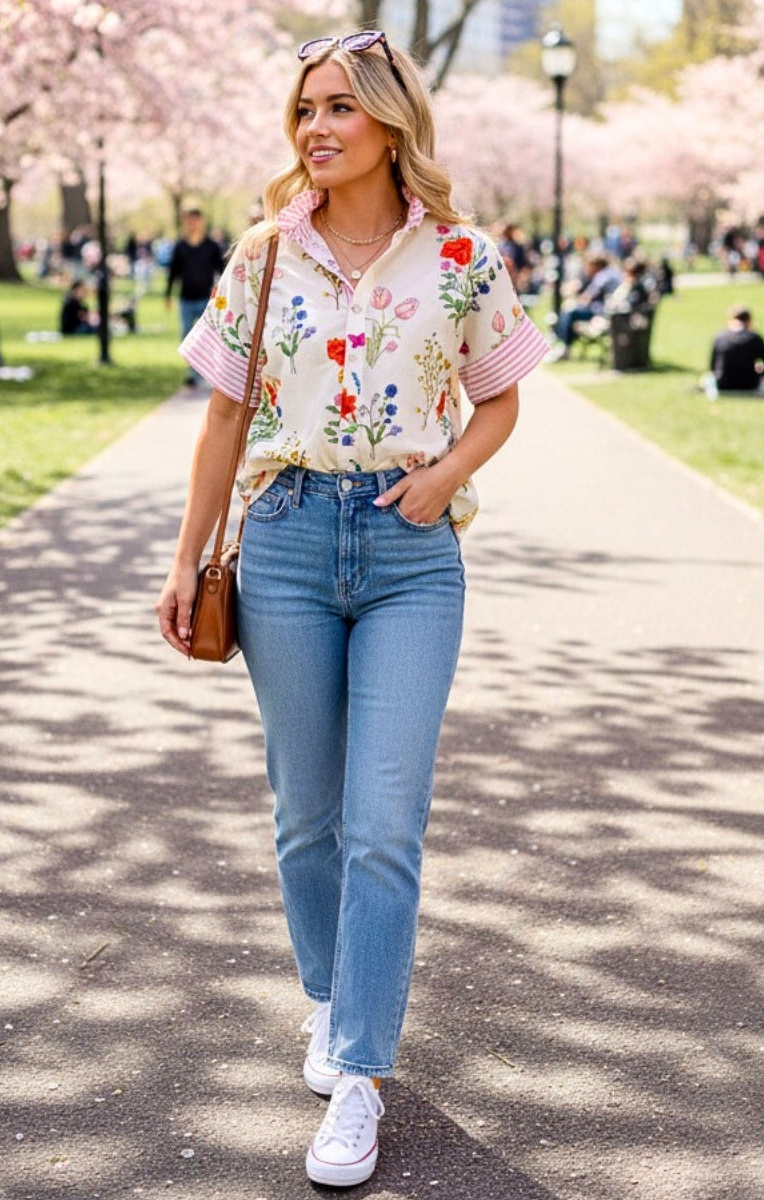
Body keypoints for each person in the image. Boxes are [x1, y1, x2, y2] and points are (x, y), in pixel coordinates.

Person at [156, 29, 548, 1189]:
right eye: (303, 109)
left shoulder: (464, 255)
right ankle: (328, 1002)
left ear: (388, 121)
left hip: (409, 553)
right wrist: (185, 564)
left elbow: (500, 399)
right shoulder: (263, 253)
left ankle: (362, 1078)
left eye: (337, 108)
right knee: (305, 813)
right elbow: (223, 421)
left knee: (383, 821)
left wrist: (439, 477)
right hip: (278, 545)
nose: (315, 128)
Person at [165, 208, 224, 387]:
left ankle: (213, 371)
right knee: (187, 335)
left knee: (210, 336)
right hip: (186, 298)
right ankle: (192, 373)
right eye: (189, 220)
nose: (193, 224)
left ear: (201, 221)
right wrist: (167, 295)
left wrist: (223, 293)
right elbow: (173, 272)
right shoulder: (180, 247)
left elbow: (222, 271)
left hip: (206, 299)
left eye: (196, 220)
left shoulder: (211, 246)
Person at [550, 252, 621, 359]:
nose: (586, 269)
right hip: (609, 311)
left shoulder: (602, 276)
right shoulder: (612, 273)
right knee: (569, 312)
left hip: (602, 312)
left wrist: (576, 301)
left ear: (595, 265)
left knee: (569, 312)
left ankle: (564, 345)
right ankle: (562, 342)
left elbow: (588, 297)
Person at [707, 305, 764, 393]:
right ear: (749, 321)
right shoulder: (755, 338)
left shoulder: (720, 337)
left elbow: (712, 366)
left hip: (723, 384)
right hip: (749, 384)